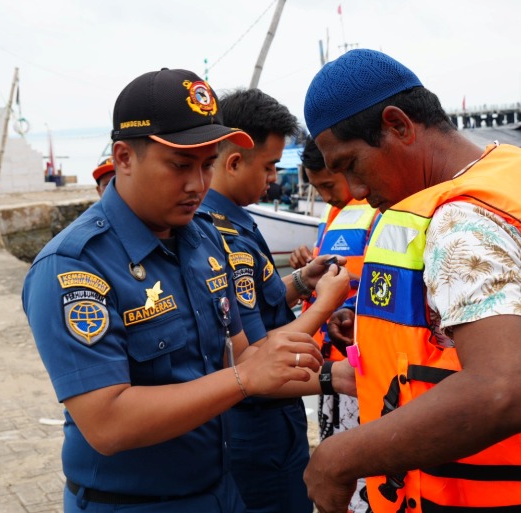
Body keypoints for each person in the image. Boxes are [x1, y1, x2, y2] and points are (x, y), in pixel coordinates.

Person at [302, 49, 521, 513]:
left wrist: (336, 459)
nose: (357, 192)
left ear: (399, 125)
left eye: (350, 164)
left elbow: (502, 389)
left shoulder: (463, 222)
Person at [22, 68, 333, 513]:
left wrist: (310, 364)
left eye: (206, 165)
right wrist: (244, 378)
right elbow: (106, 423)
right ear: (124, 158)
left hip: (223, 490)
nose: (198, 185)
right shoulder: (75, 266)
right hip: (133, 503)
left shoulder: (202, 239)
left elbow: (239, 352)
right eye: (179, 165)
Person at [199, 87, 351, 513]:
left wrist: (301, 281)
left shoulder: (235, 221)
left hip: (265, 422)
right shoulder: (220, 235)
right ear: (233, 162)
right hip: (256, 429)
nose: (272, 179)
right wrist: (324, 304)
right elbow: (254, 352)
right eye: (269, 167)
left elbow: (254, 306)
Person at [289, 137, 378, 513]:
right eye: (317, 188)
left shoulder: (377, 207)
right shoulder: (337, 211)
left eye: (328, 185)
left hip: (366, 367)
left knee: (364, 467)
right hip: (336, 364)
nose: (325, 195)